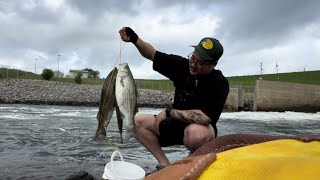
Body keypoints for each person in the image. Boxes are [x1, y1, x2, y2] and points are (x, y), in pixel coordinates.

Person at [119, 27, 229, 170]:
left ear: (213, 64)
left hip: (198, 129)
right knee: (136, 122)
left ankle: (192, 164)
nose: (193, 65)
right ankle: (164, 164)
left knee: (196, 133)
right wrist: (134, 39)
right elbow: (152, 54)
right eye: (193, 58)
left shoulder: (219, 83)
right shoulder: (181, 66)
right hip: (174, 125)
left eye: (200, 63)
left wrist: (168, 112)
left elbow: (205, 118)